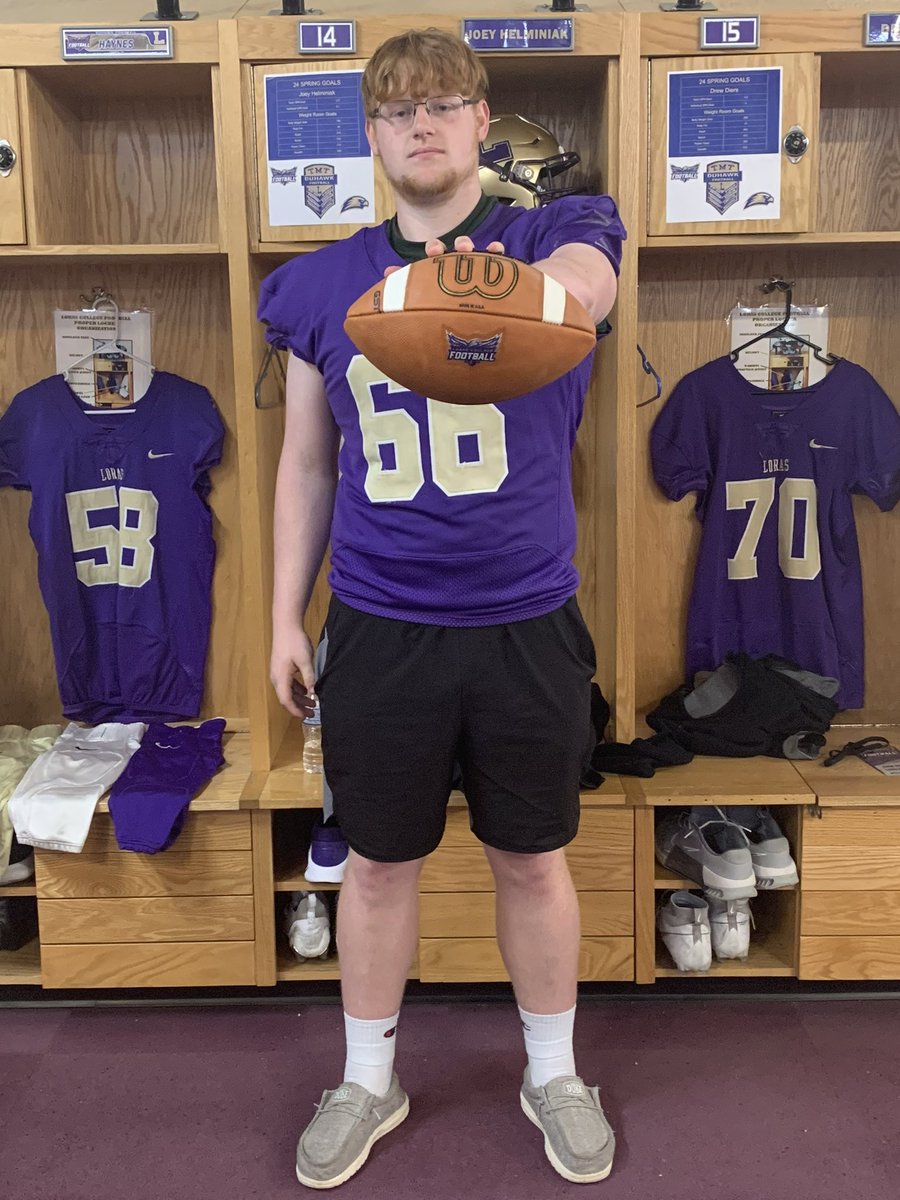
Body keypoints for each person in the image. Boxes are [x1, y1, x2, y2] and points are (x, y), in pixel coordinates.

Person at [259, 27, 625, 1189]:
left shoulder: (558, 230)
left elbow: (585, 291)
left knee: (534, 857)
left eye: (444, 103)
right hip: (380, 617)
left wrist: (477, 287)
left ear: (482, 122)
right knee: (375, 863)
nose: (422, 123)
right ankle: (369, 1077)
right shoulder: (322, 281)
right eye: (397, 109)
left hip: (525, 615)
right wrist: (281, 617)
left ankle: (554, 1070)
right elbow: (306, 464)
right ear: (372, 136)